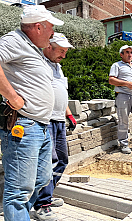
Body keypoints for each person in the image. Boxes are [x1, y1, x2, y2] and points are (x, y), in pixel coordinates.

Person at [0, 5, 64, 221]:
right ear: (38, 27)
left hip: (41, 127)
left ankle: (19, 216)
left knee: (41, 179)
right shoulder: (14, 40)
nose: (53, 34)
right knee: (19, 190)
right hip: (24, 126)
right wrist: (13, 97)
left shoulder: (31, 47)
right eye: (51, 29)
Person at [32, 33, 76, 221]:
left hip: (58, 120)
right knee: (47, 163)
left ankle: (46, 195)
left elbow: (60, 92)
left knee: (62, 160)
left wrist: (68, 113)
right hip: (45, 120)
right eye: (61, 51)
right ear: (49, 46)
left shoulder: (57, 67)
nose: (63, 56)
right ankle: (42, 205)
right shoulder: (39, 64)